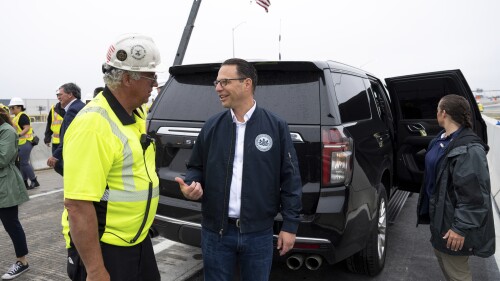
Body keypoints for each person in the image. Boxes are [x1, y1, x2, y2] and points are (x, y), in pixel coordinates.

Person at [175, 58, 302, 281]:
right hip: (216, 233)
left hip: (259, 233)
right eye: (216, 82)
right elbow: (196, 166)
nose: (218, 88)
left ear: (247, 83)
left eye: (224, 82)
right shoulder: (212, 126)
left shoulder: (275, 126)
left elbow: (290, 180)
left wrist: (290, 226)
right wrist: (192, 185)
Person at [61, 34, 163, 281]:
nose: (155, 83)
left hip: (137, 240)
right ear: (128, 79)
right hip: (107, 248)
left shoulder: (134, 113)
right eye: (151, 76)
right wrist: (95, 270)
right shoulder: (93, 125)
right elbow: (77, 205)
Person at [417, 94, 495, 281]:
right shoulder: (442, 138)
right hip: (440, 216)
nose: (436, 112)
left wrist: (460, 228)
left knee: (457, 273)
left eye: (437, 109)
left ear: (444, 113)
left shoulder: (469, 149)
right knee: (443, 260)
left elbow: (474, 196)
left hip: (453, 222)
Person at [0, 109, 31, 280]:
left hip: (5, 184)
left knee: (11, 223)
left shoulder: (7, 131)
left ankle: (22, 262)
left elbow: (3, 158)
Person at [47, 83, 84, 176]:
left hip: (76, 153)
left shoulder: (73, 110)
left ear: (70, 94)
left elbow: (70, 137)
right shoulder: (80, 106)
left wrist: (55, 156)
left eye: (60, 94)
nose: (58, 97)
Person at [8, 97, 39, 189]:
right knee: (22, 163)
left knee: (24, 163)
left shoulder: (22, 116)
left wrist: (19, 135)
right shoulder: (16, 117)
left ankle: (34, 180)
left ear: (19, 107)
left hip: (26, 142)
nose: (11, 109)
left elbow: (27, 127)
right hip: (21, 143)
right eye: (11, 108)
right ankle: (24, 182)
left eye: (12, 107)